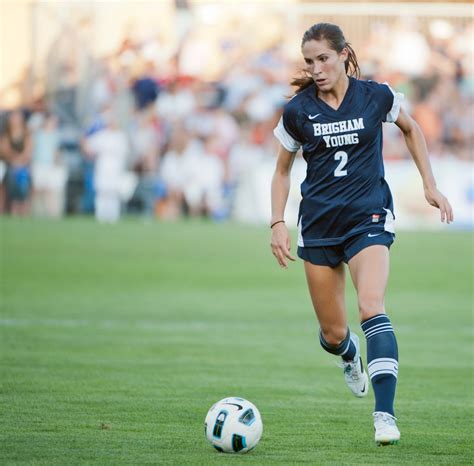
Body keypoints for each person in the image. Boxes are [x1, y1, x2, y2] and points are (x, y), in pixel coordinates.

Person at [270, 23, 453, 446]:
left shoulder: (376, 96)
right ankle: (349, 355)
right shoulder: (298, 111)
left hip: (367, 216)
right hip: (318, 225)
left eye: (324, 59)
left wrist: (429, 183)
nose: (316, 69)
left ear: (343, 54)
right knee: (334, 334)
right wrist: (278, 222)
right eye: (309, 62)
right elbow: (281, 171)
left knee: (372, 306)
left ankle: (385, 416)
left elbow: (411, 129)